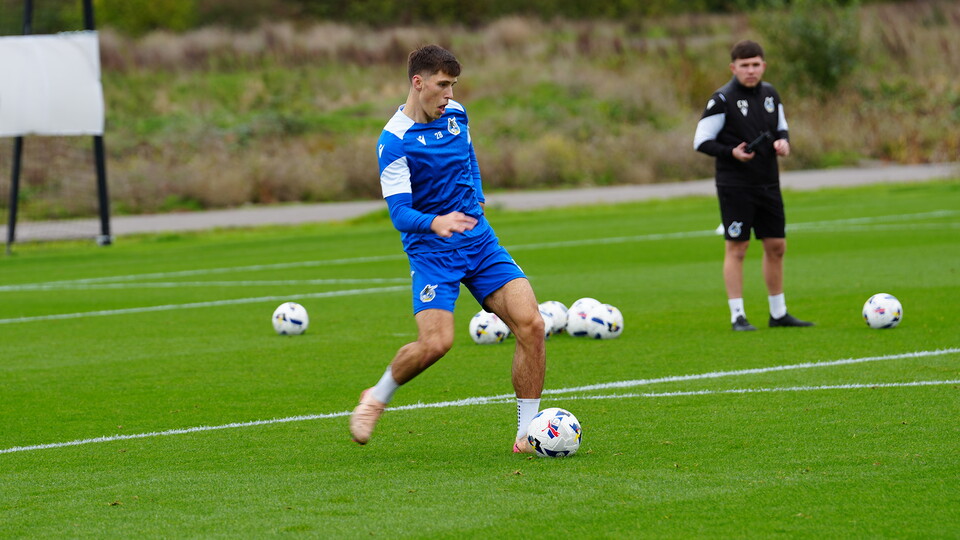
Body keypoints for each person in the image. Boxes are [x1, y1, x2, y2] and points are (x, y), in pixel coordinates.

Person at [350, 44, 545, 453]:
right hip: (432, 252)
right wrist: (436, 222)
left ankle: (526, 435)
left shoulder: (456, 115)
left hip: (479, 241)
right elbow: (400, 212)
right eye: (442, 85)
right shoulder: (394, 140)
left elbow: (469, 157)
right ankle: (377, 396)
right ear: (418, 83)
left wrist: (477, 194)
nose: (449, 95)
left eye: (453, 85)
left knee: (531, 323)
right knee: (436, 344)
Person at [693, 40, 813, 331]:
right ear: (733, 68)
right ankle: (738, 316)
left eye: (755, 64)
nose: (750, 70)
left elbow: (780, 127)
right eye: (744, 65)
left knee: (776, 245)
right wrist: (731, 151)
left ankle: (778, 313)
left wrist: (783, 142)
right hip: (736, 185)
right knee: (738, 246)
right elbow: (701, 141)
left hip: (768, 183)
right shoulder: (722, 99)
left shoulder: (771, 93)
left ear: (764, 65)